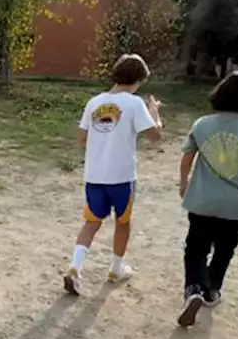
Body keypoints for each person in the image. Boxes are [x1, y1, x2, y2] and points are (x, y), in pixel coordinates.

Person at [176, 71, 238, 327]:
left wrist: (184, 181)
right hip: (234, 205)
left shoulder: (202, 124)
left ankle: (193, 289)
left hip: (201, 200)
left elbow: (187, 156)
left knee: (196, 248)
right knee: (224, 249)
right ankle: (211, 290)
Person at [63, 53, 163, 295]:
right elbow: (155, 136)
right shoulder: (135, 103)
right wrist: (155, 112)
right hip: (122, 176)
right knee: (123, 221)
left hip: (95, 175)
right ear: (138, 80)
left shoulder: (94, 102)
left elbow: (81, 137)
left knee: (91, 221)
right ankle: (116, 267)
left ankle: (75, 267)